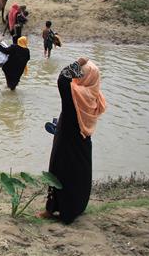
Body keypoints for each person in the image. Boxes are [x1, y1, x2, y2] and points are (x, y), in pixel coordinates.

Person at [38, 58, 106, 224]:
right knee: (79, 174)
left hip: (66, 140)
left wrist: (77, 62)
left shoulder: (75, 93)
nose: (78, 75)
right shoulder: (95, 96)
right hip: (83, 140)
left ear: (85, 76)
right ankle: (75, 209)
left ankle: (51, 209)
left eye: (81, 73)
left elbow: (62, 78)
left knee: (58, 170)